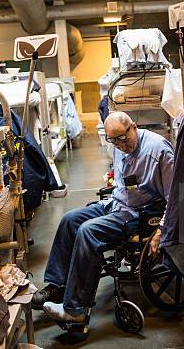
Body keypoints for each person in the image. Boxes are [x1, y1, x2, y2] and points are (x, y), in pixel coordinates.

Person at [32, 111, 174, 323]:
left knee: (88, 232)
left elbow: (175, 198)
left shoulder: (159, 151)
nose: (119, 145)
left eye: (122, 138)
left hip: (139, 214)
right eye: (113, 140)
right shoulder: (118, 146)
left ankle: (76, 309)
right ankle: (58, 285)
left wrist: (162, 230)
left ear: (133, 127)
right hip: (116, 204)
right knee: (69, 220)